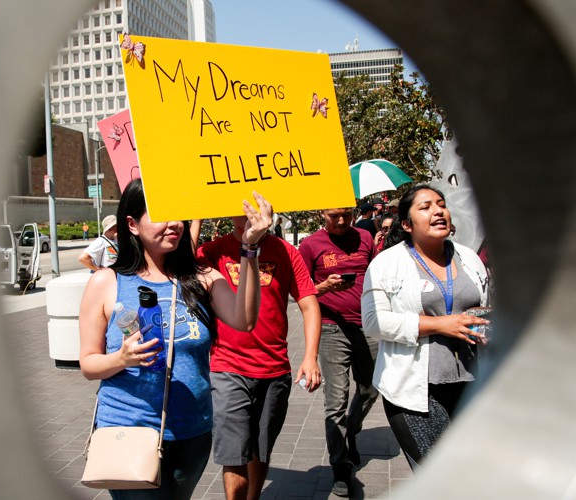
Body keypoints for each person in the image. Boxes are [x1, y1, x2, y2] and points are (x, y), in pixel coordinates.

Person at [78, 179, 274, 500]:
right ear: (132, 224)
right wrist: (121, 359)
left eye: (179, 216)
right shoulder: (106, 282)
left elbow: (245, 319)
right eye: (161, 215)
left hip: (191, 433)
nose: (175, 224)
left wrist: (250, 247)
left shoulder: (203, 278)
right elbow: (88, 364)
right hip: (128, 429)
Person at [360, 184, 490, 469]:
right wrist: (439, 325)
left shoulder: (468, 258)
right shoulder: (386, 264)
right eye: (426, 207)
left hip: (470, 384)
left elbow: (483, 307)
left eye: (441, 204)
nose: (438, 211)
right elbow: (373, 322)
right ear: (407, 224)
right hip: (414, 391)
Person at [197, 216, 322, 500]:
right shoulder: (213, 250)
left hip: (275, 369)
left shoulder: (286, 251)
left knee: (260, 450)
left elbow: (309, 304)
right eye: (241, 208)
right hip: (227, 367)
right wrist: (196, 218)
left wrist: (310, 356)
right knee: (234, 454)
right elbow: (181, 269)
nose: (248, 215)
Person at [298, 208, 378, 497]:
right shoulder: (310, 245)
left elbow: (379, 276)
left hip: (368, 326)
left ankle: (351, 430)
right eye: (335, 216)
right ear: (323, 213)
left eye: (347, 214)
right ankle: (340, 467)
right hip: (332, 329)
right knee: (336, 401)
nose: (342, 221)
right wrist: (324, 287)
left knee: (371, 389)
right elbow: (299, 291)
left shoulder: (365, 238)